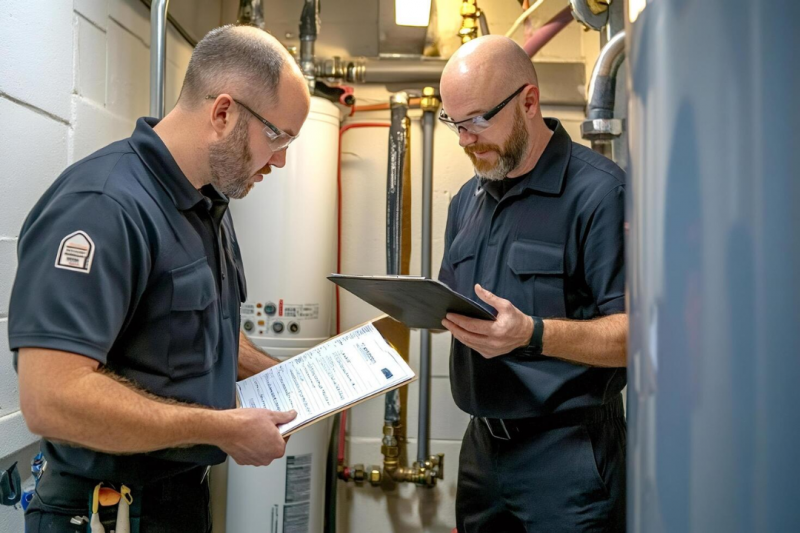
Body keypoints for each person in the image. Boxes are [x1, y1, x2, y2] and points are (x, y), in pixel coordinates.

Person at [8, 25, 310, 532]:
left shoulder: (207, 202)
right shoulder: (106, 205)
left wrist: (292, 380)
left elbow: (205, 333)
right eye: (278, 137)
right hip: (106, 511)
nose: (280, 159)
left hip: (176, 503)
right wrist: (221, 429)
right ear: (223, 113)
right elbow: (50, 399)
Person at [437, 36, 627, 532]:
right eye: (455, 124)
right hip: (481, 451)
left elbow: (638, 337)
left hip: (568, 456)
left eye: (478, 120)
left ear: (528, 101)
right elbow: (450, 302)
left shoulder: (599, 192)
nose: (465, 140)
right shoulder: (466, 200)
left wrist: (533, 333)